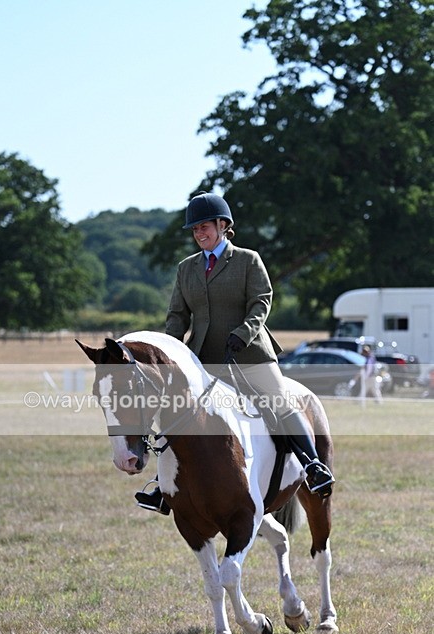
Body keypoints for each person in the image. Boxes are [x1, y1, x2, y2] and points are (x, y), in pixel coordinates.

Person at [135, 191, 335, 514]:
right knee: (175, 414)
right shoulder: (186, 270)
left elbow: (262, 302)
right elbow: (177, 316)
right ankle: (164, 488)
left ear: (223, 225)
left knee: (279, 401)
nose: (200, 234)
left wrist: (243, 334)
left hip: (251, 353)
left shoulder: (247, 260)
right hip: (203, 359)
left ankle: (313, 467)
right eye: (195, 230)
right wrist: (169, 352)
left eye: (205, 227)